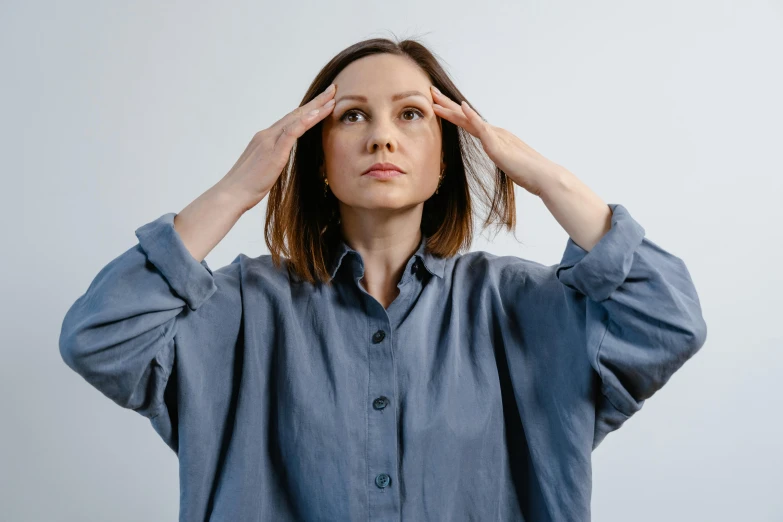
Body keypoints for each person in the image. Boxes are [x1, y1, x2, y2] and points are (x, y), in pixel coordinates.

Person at [59, 37, 708, 521]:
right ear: (314, 155)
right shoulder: (237, 310)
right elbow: (97, 338)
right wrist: (235, 189)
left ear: (445, 159)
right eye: (351, 116)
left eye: (410, 114)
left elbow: (667, 320)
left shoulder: (518, 306)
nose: (380, 138)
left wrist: (542, 176)